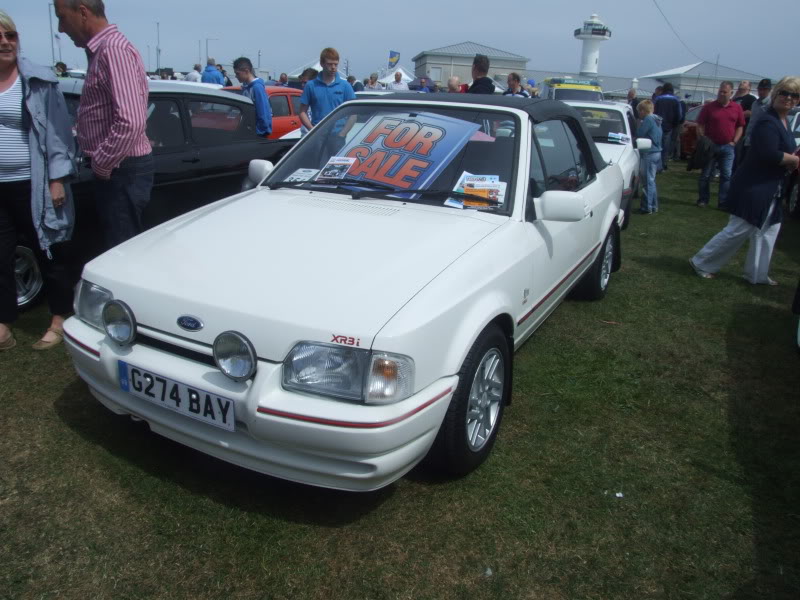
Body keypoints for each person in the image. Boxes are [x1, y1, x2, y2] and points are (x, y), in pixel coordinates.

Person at [0, 10, 77, 351]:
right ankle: (4, 322)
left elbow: (59, 135)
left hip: (33, 184)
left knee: (50, 251)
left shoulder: (38, 80)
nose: (5, 43)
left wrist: (57, 179)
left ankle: (59, 317)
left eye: (10, 36)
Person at [54, 0, 154, 249]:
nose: (60, 28)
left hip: (121, 170)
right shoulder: (103, 50)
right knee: (118, 246)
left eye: (62, 17)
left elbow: (130, 121)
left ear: (83, 13)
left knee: (122, 252)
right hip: (118, 169)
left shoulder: (113, 50)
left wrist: (102, 163)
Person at [690, 76, 799, 285]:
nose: (789, 98)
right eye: (784, 93)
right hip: (754, 185)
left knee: (768, 230)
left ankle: (757, 274)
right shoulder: (768, 120)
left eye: (794, 95)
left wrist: (789, 160)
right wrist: (793, 159)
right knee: (739, 228)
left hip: (771, 186)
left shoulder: (783, 121)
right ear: (775, 94)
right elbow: (768, 153)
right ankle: (702, 262)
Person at [695, 81, 745, 208]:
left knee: (726, 175)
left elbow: (740, 126)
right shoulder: (709, 107)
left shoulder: (736, 108)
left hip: (728, 147)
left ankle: (723, 202)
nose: (721, 94)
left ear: (731, 93)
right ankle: (703, 199)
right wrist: (702, 139)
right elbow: (700, 124)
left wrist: (734, 141)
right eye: (720, 91)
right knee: (706, 174)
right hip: (711, 146)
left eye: (725, 92)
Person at [298, 47, 355, 152]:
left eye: (336, 64)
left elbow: (354, 113)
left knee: (335, 168)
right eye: (330, 64)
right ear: (322, 64)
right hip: (317, 136)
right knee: (316, 166)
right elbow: (302, 111)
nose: (333, 67)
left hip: (337, 137)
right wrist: (312, 130)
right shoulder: (311, 85)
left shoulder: (345, 86)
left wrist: (343, 133)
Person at [635, 100, 663, 214]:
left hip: (649, 153)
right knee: (651, 181)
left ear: (643, 110)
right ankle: (653, 206)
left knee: (647, 182)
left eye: (639, 111)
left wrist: (639, 125)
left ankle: (647, 207)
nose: (639, 113)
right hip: (656, 152)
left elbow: (640, 133)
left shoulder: (648, 119)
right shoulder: (657, 119)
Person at [233, 56, 272, 137]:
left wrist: (260, 132)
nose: (236, 76)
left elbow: (263, 112)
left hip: (257, 133)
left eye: (237, 73)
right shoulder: (246, 88)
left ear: (246, 71)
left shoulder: (257, 88)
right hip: (248, 131)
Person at [653, 83, 682, 170]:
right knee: (666, 145)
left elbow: (653, 111)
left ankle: (657, 163)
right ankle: (664, 163)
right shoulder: (676, 100)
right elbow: (679, 114)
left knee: (657, 144)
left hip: (658, 124)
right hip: (669, 125)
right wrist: (675, 123)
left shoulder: (658, 99)